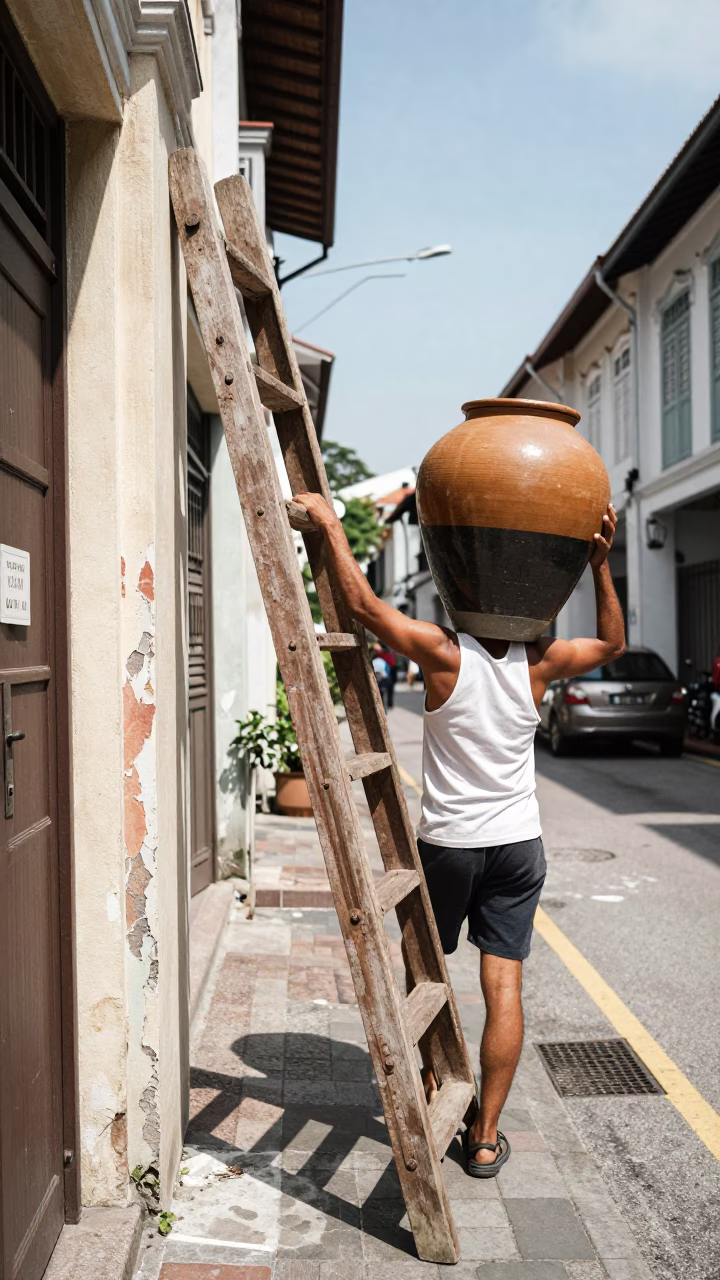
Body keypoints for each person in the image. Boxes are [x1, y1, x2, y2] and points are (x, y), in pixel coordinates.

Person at [294, 489, 624, 1179]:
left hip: (449, 845)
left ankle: (428, 1087)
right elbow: (614, 643)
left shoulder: (444, 654)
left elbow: (363, 608)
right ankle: (485, 1136)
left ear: (457, 589)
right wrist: (600, 564)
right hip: (519, 846)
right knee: (504, 988)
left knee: (426, 976)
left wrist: (329, 524)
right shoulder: (539, 663)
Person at [371, 644, 391, 708]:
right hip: (383, 679)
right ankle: (384, 706)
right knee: (383, 692)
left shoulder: (373, 661)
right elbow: (387, 670)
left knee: (378, 693)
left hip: (375, 679)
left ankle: (380, 705)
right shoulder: (383, 661)